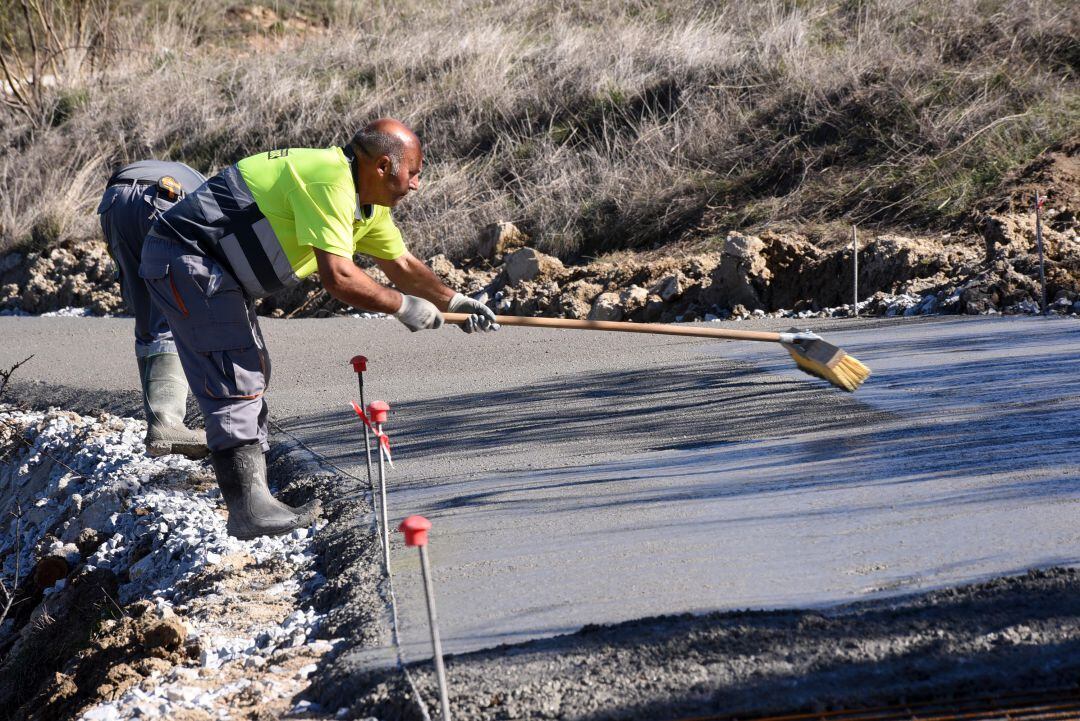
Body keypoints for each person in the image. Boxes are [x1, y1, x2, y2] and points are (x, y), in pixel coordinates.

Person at [139, 118, 498, 540]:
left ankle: (256, 500)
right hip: (187, 258)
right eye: (414, 172)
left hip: (209, 268)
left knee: (247, 366)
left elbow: (401, 265)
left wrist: (452, 301)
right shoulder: (330, 181)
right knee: (234, 370)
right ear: (383, 166)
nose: (417, 184)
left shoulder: (366, 202)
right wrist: (401, 306)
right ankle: (249, 510)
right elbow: (340, 278)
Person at [97, 160, 210, 460]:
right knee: (173, 310)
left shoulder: (192, 176)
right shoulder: (210, 194)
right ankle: (167, 423)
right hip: (164, 198)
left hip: (113, 202)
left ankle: (160, 424)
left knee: (148, 316)